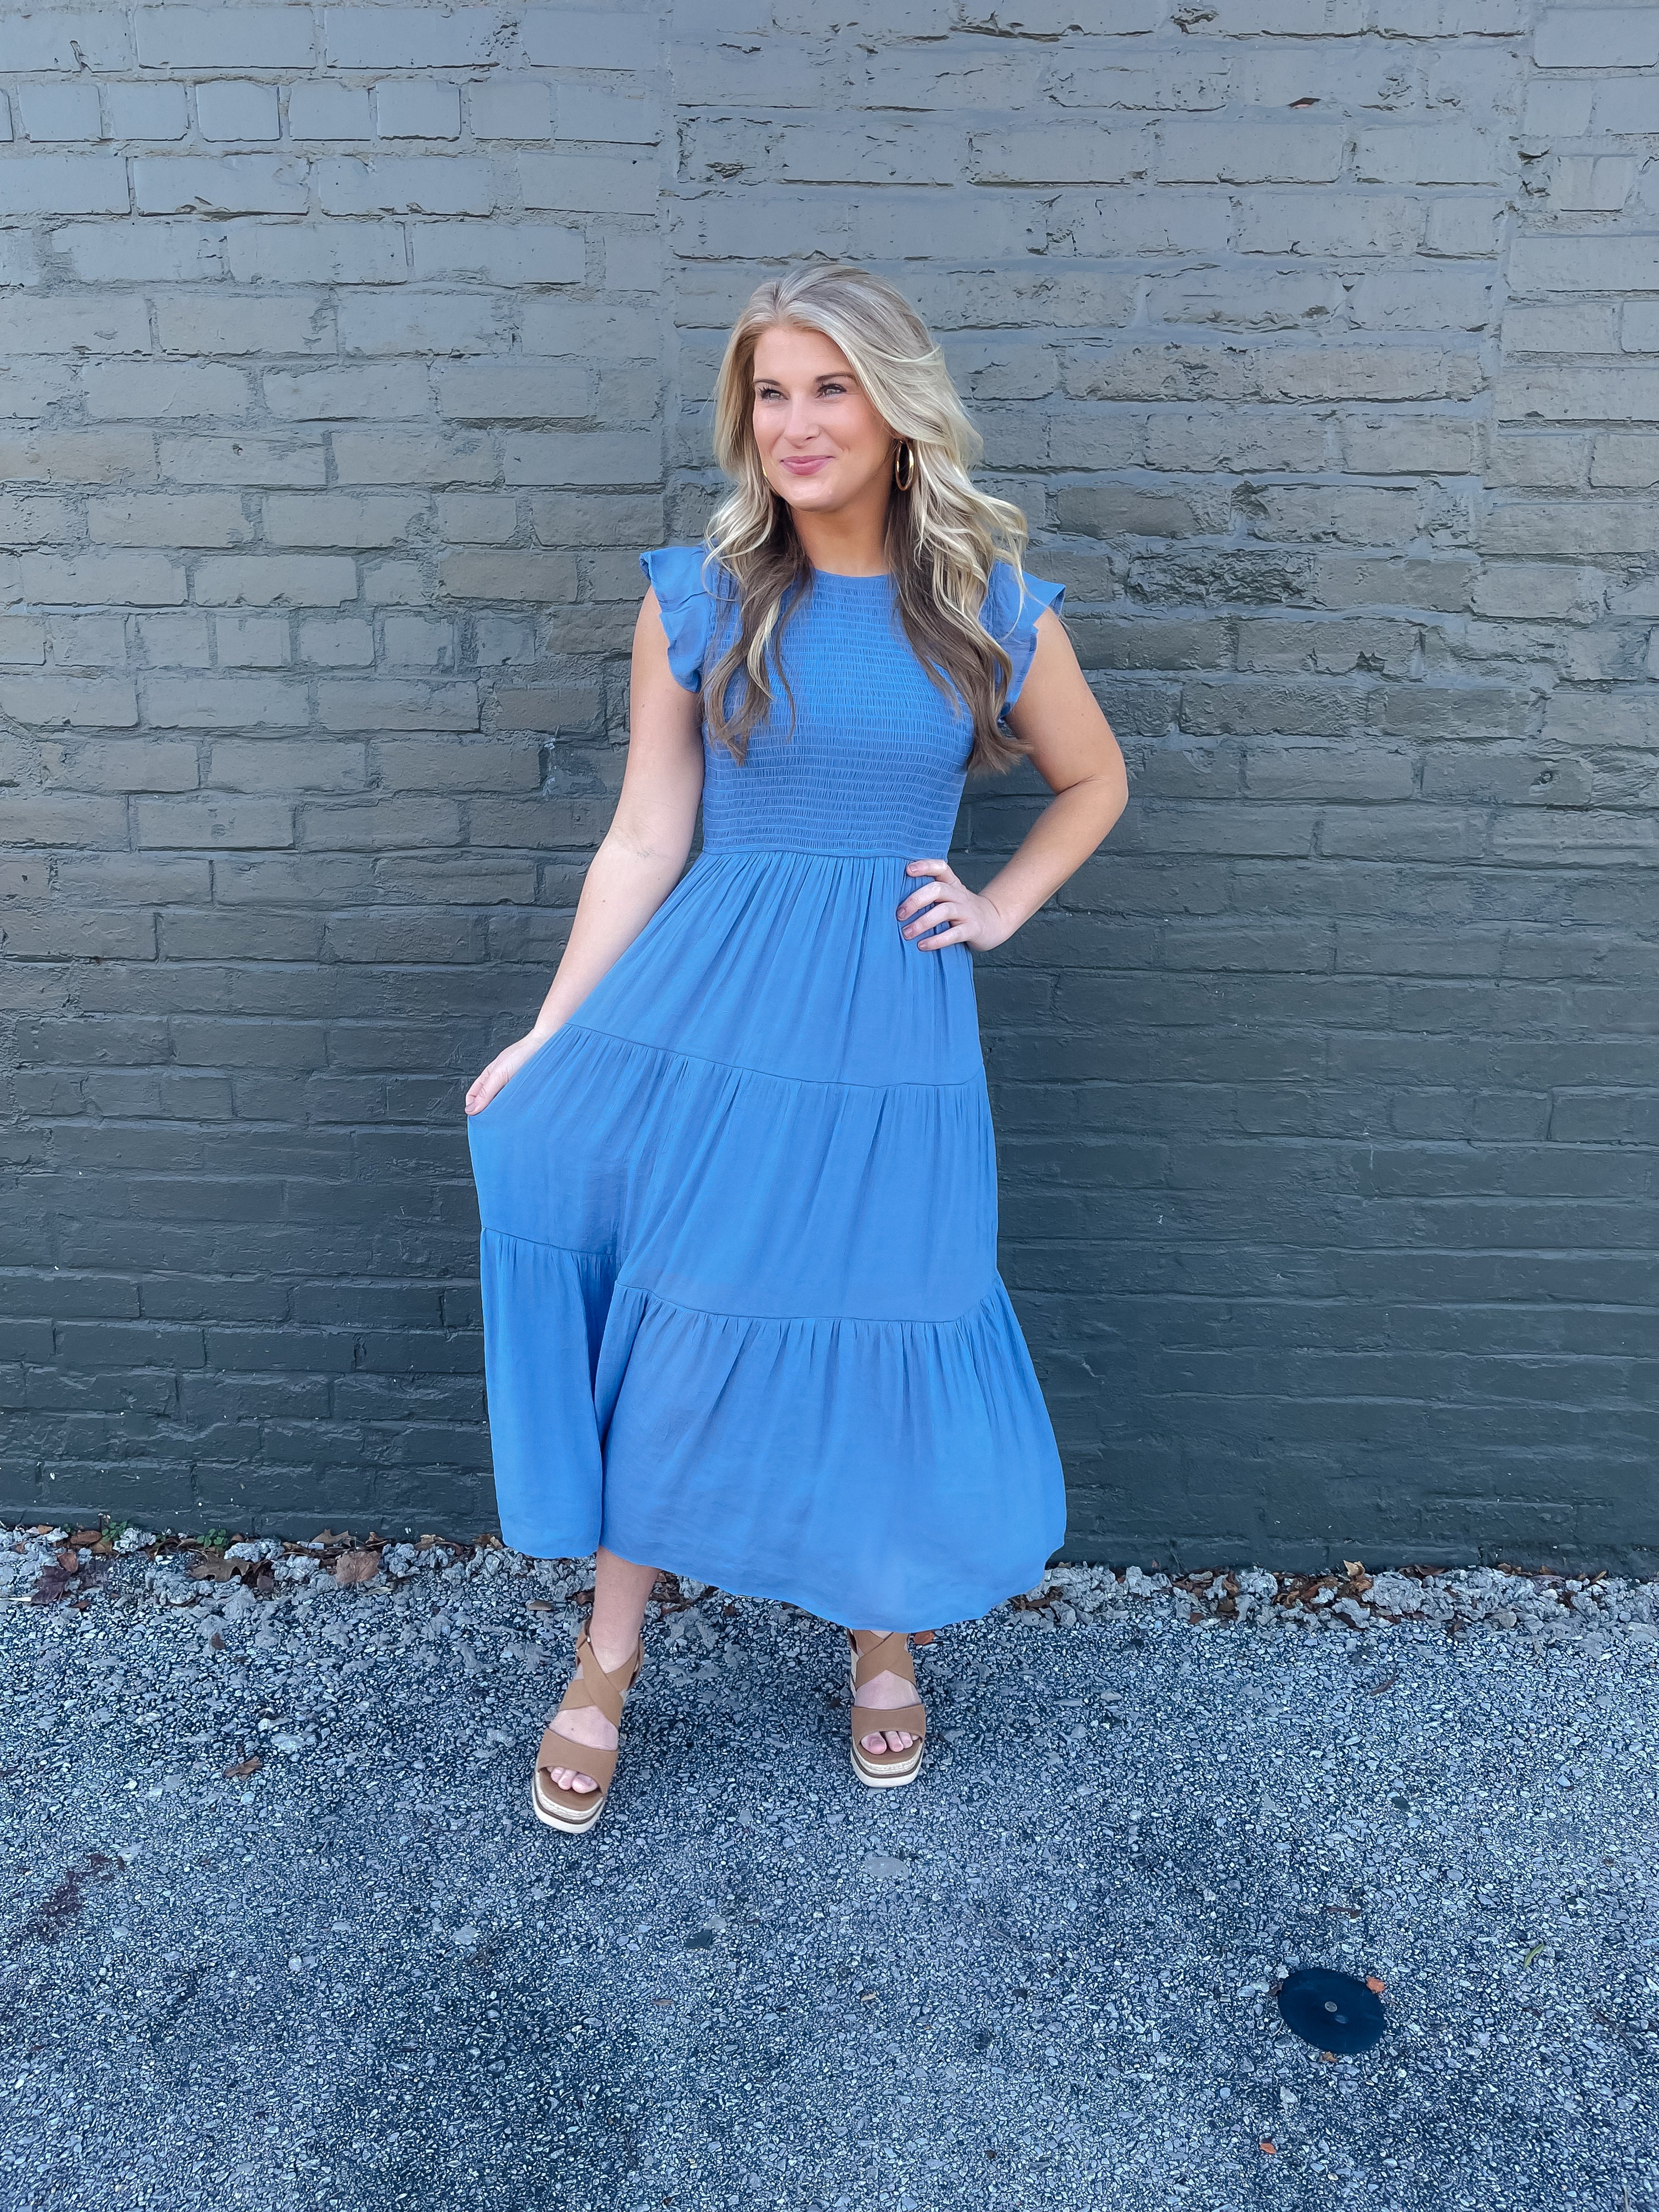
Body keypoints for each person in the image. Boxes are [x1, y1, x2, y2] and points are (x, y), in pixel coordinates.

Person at [464, 262, 1127, 1832]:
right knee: (683, 1315)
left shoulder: (989, 605)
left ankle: (882, 1637)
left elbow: (1095, 782)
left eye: (832, 389)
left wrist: (998, 906)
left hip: (893, 1028)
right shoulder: (701, 598)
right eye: (771, 393)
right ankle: (608, 1657)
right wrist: (553, 1032)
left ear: (898, 413)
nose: (797, 422)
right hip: (715, 1017)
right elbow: (646, 835)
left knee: (885, 1302)